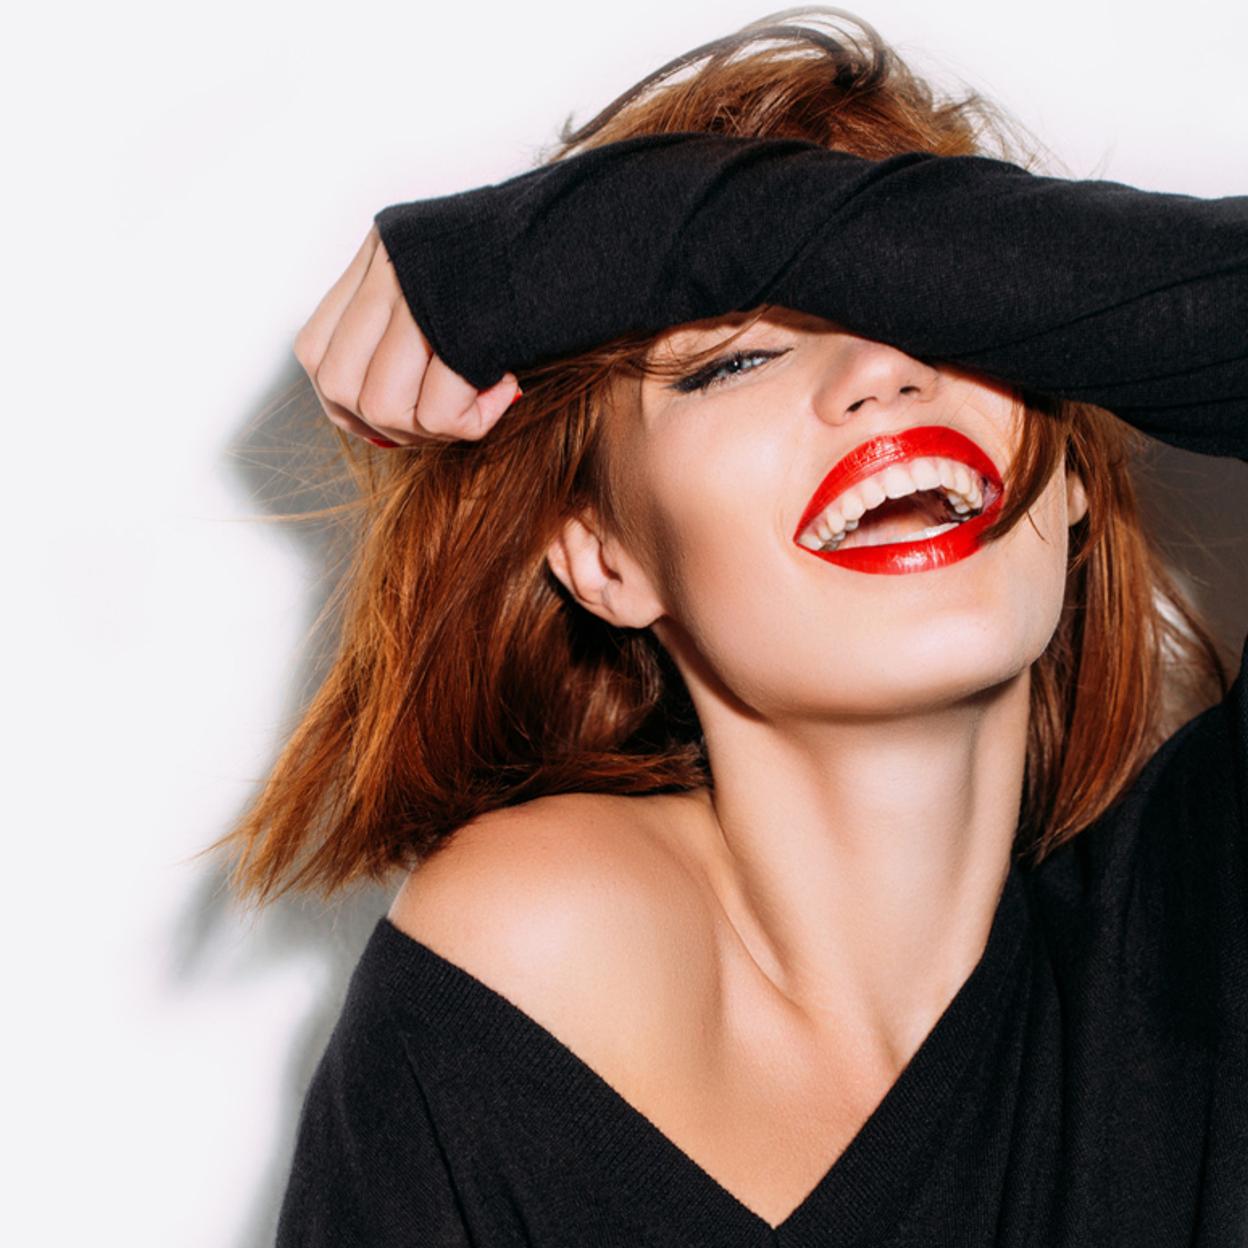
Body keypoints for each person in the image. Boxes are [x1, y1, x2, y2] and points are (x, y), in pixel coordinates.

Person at [210, 8, 1248, 1243]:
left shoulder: (1201, 916)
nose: (882, 376)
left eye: (954, 316)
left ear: (1070, 474)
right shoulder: (546, 960)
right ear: (602, 557)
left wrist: (633, 224)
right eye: (735, 361)